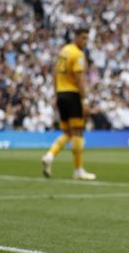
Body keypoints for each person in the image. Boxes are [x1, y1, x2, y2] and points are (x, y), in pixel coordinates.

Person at [41, 27, 96, 180]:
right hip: (73, 95)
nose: (86, 42)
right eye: (83, 38)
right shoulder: (78, 55)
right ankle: (78, 170)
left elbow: (55, 72)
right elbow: (80, 79)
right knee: (78, 132)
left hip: (61, 93)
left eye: (87, 38)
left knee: (67, 133)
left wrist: (56, 93)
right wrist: (84, 100)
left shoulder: (64, 50)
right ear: (76, 38)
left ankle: (49, 156)